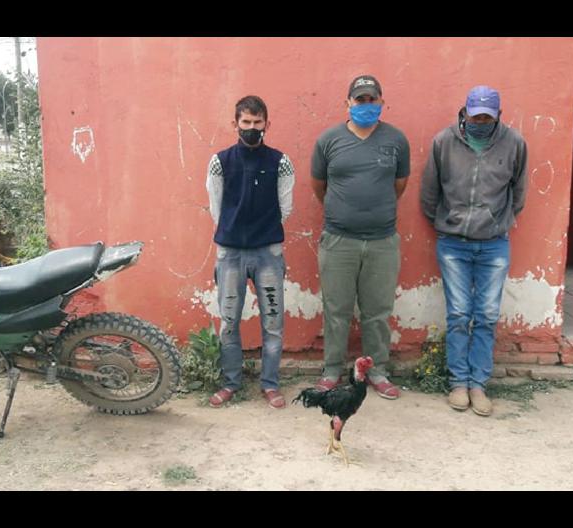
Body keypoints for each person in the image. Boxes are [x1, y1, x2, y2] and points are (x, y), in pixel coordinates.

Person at [420, 85, 528, 416]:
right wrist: (446, 223)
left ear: (498, 116)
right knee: (458, 315)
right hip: (453, 244)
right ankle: (458, 384)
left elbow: (518, 192)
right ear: (464, 112)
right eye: (475, 115)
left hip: (494, 245)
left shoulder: (514, 144)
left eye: (487, 117)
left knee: (486, 316)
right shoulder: (443, 142)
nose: (480, 121)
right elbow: (429, 193)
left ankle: (479, 385)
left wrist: (499, 222)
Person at [310, 75, 410, 400]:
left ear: (381, 102)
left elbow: (400, 184)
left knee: (378, 311)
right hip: (339, 240)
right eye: (359, 100)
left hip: (382, 241)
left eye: (372, 100)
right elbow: (318, 186)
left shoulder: (396, 140)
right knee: (336, 309)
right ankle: (331, 370)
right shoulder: (329, 141)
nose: (366, 106)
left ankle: (378, 370)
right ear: (348, 104)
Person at [205, 95, 295, 409]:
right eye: (246, 123)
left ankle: (270, 384)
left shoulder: (281, 162)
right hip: (229, 253)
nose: (252, 129)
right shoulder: (219, 162)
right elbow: (217, 210)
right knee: (229, 321)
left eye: (258, 123)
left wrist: (261, 233)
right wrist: (234, 233)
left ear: (267, 124)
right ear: (235, 124)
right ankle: (231, 382)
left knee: (272, 321)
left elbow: (286, 208)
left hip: (268, 251)